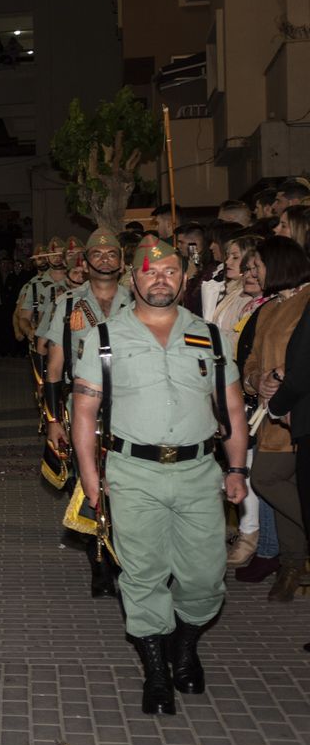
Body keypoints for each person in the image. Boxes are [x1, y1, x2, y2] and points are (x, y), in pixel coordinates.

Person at [70, 235, 248, 716]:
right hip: (133, 473)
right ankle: (156, 673)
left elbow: (230, 406)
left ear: (184, 279)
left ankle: (185, 646)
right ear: (134, 278)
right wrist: (90, 477)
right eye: (149, 271)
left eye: (169, 270)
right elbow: (84, 412)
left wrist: (236, 468)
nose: (160, 278)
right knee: (143, 575)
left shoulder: (210, 336)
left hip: (198, 472)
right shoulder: (103, 338)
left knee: (205, 578)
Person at [37, 230, 130, 598]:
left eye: (112, 253)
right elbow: (54, 368)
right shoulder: (69, 304)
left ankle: (126, 560)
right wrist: (54, 421)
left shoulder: (138, 300)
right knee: (89, 485)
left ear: (122, 261)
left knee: (126, 485)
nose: (105, 259)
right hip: (84, 409)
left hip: (132, 408)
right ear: (86, 261)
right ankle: (99, 563)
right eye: (98, 253)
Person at [241, 236, 310, 602]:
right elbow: (251, 358)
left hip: (297, 408)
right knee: (269, 479)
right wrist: (256, 380)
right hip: (269, 413)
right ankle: (293, 562)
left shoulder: (306, 301)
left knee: (268, 477)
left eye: (258, 266)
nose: (253, 272)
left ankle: (294, 560)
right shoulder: (267, 309)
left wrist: (282, 375)